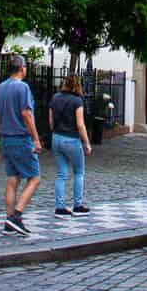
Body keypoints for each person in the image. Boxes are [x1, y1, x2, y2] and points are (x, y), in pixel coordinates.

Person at [0, 54, 43, 236]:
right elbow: (26, 114)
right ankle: (16, 215)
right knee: (34, 178)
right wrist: (36, 139)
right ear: (22, 68)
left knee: (12, 179)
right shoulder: (22, 87)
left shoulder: (0, 88)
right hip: (21, 138)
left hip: (6, 137)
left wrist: (2, 131)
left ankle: (9, 221)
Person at [49, 74, 93, 217]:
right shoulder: (77, 101)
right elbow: (80, 124)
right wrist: (86, 142)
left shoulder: (55, 98)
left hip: (56, 137)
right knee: (79, 172)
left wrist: (55, 131)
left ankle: (59, 207)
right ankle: (77, 205)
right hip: (72, 139)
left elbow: (51, 121)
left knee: (61, 174)